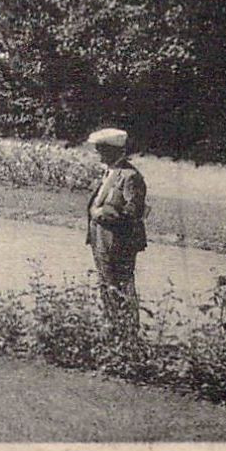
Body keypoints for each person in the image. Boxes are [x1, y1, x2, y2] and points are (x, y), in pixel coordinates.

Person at [85, 127, 148, 338]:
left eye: (101, 149)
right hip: (101, 240)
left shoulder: (131, 177)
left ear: (114, 150)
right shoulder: (110, 172)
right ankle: (112, 328)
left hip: (119, 243)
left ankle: (128, 334)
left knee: (121, 286)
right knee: (106, 284)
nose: (97, 154)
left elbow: (133, 213)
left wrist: (100, 214)